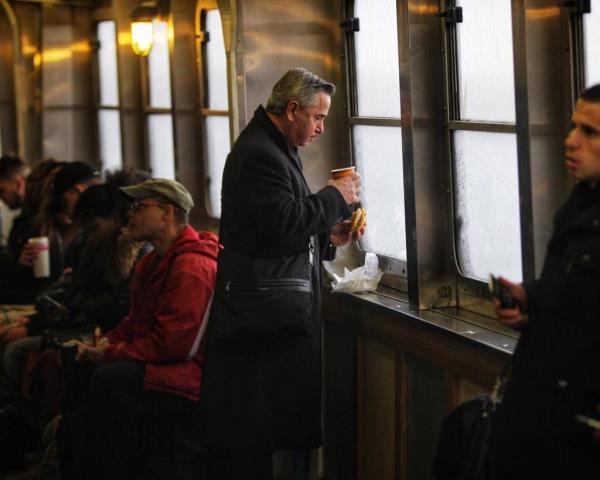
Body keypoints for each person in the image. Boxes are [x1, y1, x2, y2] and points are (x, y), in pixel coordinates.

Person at [199, 67, 364, 479]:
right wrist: (335, 197)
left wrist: (331, 235)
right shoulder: (259, 153)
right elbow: (284, 222)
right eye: (318, 117)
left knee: (263, 431)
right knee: (251, 434)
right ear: (292, 110)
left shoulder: (274, 148)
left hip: (268, 308)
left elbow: (277, 226)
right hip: (259, 316)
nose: (323, 128)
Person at [60, 178, 218, 480]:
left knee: (110, 378)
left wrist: (112, 354)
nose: (129, 214)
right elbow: (135, 321)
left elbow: (176, 346)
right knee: (77, 362)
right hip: (164, 363)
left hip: (187, 372)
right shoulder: (152, 262)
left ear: (167, 212)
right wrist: (105, 343)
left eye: (138, 207)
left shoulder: (190, 266)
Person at [490, 84, 600, 479]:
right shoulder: (580, 206)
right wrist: (529, 299)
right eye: (573, 127)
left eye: (590, 132)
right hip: (542, 413)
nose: (571, 142)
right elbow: (574, 294)